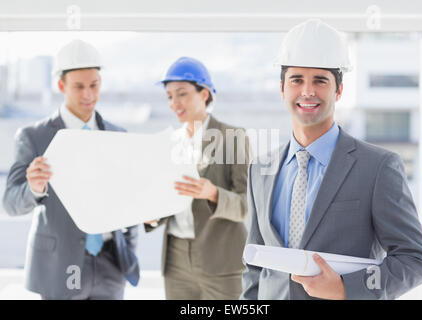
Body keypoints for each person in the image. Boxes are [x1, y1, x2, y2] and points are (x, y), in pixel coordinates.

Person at [241, 19, 422, 300]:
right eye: (296, 80)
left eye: (320, 80)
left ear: (338, 90)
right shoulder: (261, 169)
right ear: (282, 89)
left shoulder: (377, 168)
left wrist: (347, 289)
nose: (307, 91)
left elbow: (414, 259)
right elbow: (256, 266)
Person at [2, 39, 140, 299]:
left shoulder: (118, 135)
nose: (88, 94)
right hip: (60, 265)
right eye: (79, 87)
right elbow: (10, 203)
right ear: (61, 85)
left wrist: (129, 247)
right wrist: (34, 187)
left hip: (111, 264)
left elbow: (129, 198)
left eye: (94, 85)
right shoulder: (34, 137)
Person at [144, 57, 251, 299]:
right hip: (176, 258)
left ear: (204, 94)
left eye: (182, 94)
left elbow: (246, 206)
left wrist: (213, 193)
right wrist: (150, 216)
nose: (174, 103)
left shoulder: (233, 137)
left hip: (222, 257)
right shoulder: (168, 143)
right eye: (169, 96)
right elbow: (163, 198)